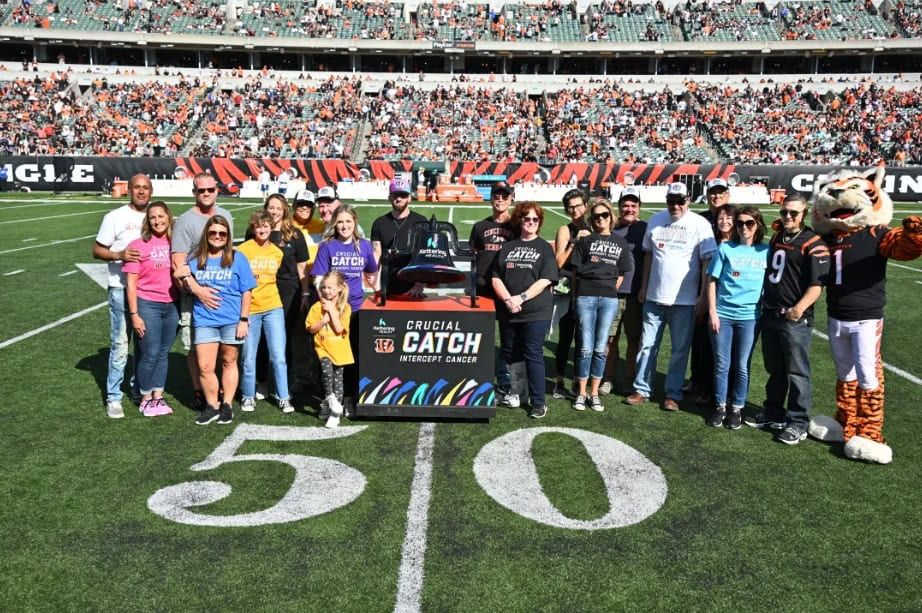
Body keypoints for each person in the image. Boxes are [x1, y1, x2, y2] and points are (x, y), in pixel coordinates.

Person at [626, 182, 717, 411]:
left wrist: (703, 297)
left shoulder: (700, 224)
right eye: (671, 201)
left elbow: (707, 262)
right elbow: (648, 256)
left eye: (680, 201)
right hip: (654, 297)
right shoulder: (656, 220)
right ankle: (641, 388)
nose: (675, 205)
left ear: (688, 199)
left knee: (679, 350)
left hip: (684, 301)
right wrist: (645, 286)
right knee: (647, 346)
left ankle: (672, 394)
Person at [750, 193, 830, 442]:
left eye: (793, 213)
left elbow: (817, 285)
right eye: (784, 212)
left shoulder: (814, 242)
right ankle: (774, 411)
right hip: (771, 311)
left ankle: (798, 421)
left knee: (797, 371)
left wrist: (798, 309)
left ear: (804, 214)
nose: (787, 216)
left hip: (794, 317)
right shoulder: (778, 236)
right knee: (775, 368)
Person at [171, 172, 235, 411]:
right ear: (194, 193)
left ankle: (217, 388)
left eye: (210, 189)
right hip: (193, 294)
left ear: (217, 190)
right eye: (201, 190)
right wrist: (198, 291)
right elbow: (178, 262)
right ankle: (199, 391)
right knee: (195, 345)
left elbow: (229, 252)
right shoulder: (185, 221)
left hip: (222, 292)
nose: (206, 194)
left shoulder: (225, 215)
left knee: (222, 345)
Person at [186, 216, 255, 426]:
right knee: (205, 366)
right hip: (205, 319)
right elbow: (182, 277)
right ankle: (212, 405)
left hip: (231, 319)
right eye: (213, 233)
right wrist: (187, 279)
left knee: (229, 361)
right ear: (207, 235)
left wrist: (243, 319)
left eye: (222, 234)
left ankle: (227, 405)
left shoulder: (238, 258)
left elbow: (247, 291)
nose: (217, 236)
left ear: (228, 237)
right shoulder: (196, 259)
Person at [492, 202, 559, 419]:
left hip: (535, 311)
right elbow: (495, 276)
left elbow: (546, 279)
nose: (530, 222)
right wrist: (508, 300)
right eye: (526, 218)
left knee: (533, 354)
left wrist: (520, 298)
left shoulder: (544, 248)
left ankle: (538, 401)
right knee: (511, 353)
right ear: (519, 220)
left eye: (535, 219)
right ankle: (517, 393)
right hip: (509, 310)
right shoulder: (508, 247)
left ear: (539, 223)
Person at [92, 173, 151, 418]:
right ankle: (114, 396)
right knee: (119, 344)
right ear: (128, 190)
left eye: (145, 188)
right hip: (120, 287)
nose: (141, 191)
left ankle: (138, 388)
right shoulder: (114, 217)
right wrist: (120, 255)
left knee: (144, 343)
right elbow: (97, 250)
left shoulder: (157, 216)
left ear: (151, 191)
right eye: (136, 187)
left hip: (148, 291)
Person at [705, 206, 769, 429]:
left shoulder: (766, 251)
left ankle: (737, 408)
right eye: (740, 223)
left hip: (750, 317)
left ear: (758, 225)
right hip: (723, 315)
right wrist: (712, 312)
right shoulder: (726, 248)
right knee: (722, 364)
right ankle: (720, 406)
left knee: (742, 365)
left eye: (749, 223)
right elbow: (712, 281)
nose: (744, 227)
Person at [311, 204, 379, 405]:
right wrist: (328, 305)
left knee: (353, 354)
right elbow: (318, 280)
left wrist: (373, 289)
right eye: (340, 221)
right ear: (334, 224)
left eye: (348, 221)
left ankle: (350, 396)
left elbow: (371, 271)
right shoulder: (327, 246)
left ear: (355, 223)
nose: (344, 225)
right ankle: (329, 397)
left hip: (356, 309)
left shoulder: (364, 246)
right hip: (333, 311)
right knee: (330, 356)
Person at [569, 198, 633, 412]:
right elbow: (575, 272)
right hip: (585, 296)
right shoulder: (585, 241)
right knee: (585, 347)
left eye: (604, 215)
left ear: (611, 217)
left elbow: (622, 273)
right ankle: (581, 392)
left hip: (608, 299)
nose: (600, 220)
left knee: (600, 348)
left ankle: (594, 393)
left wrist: (609, 289)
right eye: (596, 217)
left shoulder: (620, 242)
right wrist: (578, 296)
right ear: (591, 219)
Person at [122, 201, 178, 417]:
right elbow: (131, 283)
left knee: (163, 353)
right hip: (148, 304)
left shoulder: (176, 243)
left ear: (169, 217)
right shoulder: (138, 245)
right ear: (148, 220)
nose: (157, 220)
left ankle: (158, 396)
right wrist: (135, 314)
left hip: (172, 304)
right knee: (150, 353)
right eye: (153, 217)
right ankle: (145, 397)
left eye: (161, 216)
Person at [237, 211, 294, 414]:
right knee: (248, 356)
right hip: (250, 308)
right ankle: (248, 395)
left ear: (271, 228)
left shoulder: (277, 253)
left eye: (266, 226)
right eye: (258, 226)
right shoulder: (242, 250)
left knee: (278, 355)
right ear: (253, 228)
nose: (262, 230)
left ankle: (284, 396)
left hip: (273, 307)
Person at [689, 177, 732, 405]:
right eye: (713, 193)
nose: (716, 196)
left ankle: (711, 387)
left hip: (726, 291)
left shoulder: (736, 219)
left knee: (716, 342)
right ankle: (697, 380)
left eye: (721, 192)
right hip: (700, 284)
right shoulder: (700, 219)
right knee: (698, 339)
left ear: (728, 194)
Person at [602, 187, 647, 395]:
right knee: (609, 339)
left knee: (633, 339)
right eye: (626, 205)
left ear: (639, 207)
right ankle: (607, 378)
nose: (629, 209)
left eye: (633, 205)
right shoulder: (610, 229)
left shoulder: (647, 228)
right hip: (612, 292)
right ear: (619, 208)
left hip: (636, 293)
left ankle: (630, 377)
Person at [552, 188, 589, 399]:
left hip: (589, 288)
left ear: (586, 205)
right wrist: (576, 242)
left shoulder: (595, 225)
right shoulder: (565, 230)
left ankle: (578, 381)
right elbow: (559, 261)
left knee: (583, 338)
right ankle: (558, 381)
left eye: (578, 205)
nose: (574, 210)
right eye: (570, 207)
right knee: (566, 336)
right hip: (568, 289)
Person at [306, 271, 354, 429]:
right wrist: (323, 320)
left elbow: (340, 329)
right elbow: (311, 329)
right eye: (324, 287)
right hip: (323, 348)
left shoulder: (345, 307)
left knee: (338, 380)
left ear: (340, 288)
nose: (327, 291)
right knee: (326, 372)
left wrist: (332, 312)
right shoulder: (316, 307)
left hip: (340, 350)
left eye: (331, 288)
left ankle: (334, 413)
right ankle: (331, 400)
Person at [371, 177, 427, 297]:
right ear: (389, 198)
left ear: (410, 198)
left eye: (403, 195)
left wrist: (419, 285)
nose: (399, 198)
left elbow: (424, 254)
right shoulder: (379, 223)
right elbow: (376, 255)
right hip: (386, 284)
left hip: (413, 286)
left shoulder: (421, 221)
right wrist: (376, 284)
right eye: (395, 195)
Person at [469, 180, 517, 298]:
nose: (500, 199)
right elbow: (473, 254)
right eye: (496, 196)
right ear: (490, 199)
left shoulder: (518, 227)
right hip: (483, 284)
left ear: (511, 199)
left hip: (510, 284)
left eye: (505, 196)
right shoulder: (479, 227)